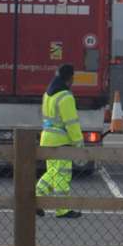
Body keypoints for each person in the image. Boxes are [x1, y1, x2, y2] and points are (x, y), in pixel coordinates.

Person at [37, 63, 83, 218]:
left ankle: (36, 200)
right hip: (61, 141)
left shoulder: (48, 94)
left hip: (47, 138)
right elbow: (71, 122)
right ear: (70, 79)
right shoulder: (65, 97)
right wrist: (78, 142)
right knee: (62, 174)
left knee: (53, 173)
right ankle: (61, 209)